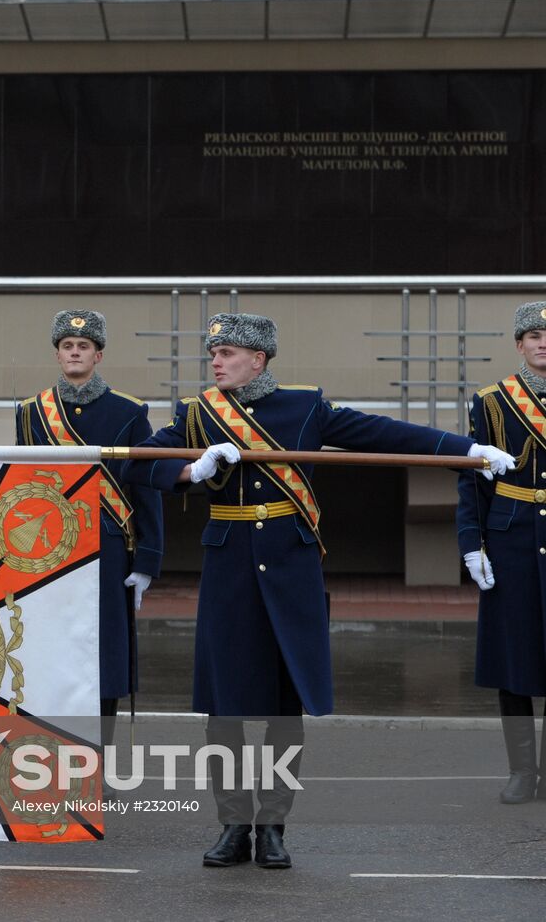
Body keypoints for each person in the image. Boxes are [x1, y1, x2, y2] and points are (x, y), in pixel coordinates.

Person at [131, 312, 511, 870]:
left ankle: (274, 827)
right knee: (227, 708)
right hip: (229, 569)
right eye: (213, 354)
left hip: (291, 566)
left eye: (228, 353)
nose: (215, 361)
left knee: (286, 706)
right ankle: (234, 825)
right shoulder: (197, 415)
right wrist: (194, 468)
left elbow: (384, 433)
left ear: (258, 359)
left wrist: (467, 450)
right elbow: (142, 464)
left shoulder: (304, 407)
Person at [16, 310, 163, 742]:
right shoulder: (30, 413)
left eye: (83, 346)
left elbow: (145, 487)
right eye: (67, 346)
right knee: (52, 655)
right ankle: (55, 757)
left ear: (98, 355)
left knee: (104, 659)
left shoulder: (129, 411)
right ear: (58, 355)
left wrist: (148, 559)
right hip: (49, 549)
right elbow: (21, 490)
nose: (75, 352)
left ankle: (97, 764)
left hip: (109, 548)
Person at [457, 301, 546, 804]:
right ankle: (521, 771)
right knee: (515, 657)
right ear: (519, 345)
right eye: (532, 335)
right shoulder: (492, 402)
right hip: (510, 538)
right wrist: (472, 545)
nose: (541, 342)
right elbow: (473, 481)